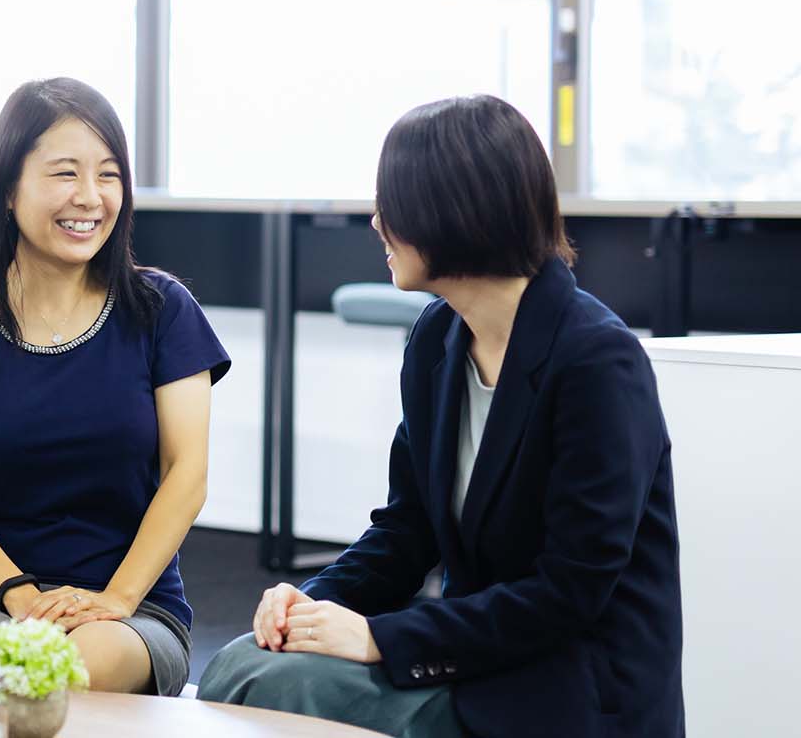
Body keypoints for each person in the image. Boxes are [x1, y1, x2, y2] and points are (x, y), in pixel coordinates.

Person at [197, 95, 683, 737]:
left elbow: (569, 593)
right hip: (478, 657)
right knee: (242, 662)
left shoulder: (596, 360)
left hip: (568, 687)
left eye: (392, 203)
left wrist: (379, 639)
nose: (378, 222)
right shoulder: (437, 339)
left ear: (454, 210)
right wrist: (313, 601)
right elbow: (407, 531)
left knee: (266, 685)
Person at [0, 77, 230, 696]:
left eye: (108, 175)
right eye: (65, 174)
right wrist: (19, 595)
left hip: (133, 606)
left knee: (67, 672)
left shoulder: (162, 309)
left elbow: (188, 474)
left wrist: (117, 598)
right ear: (8, 189)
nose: (90, 198)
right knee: (10, 670)